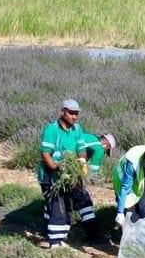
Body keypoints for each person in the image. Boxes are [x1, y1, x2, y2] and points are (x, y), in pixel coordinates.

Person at [36, 99, 105, 248]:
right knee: (56, 206)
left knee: (66, 206)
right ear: (63, 112)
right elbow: (45, 154)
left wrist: (80, 163)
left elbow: (81, 150)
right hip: (51, 175)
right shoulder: (51, 129)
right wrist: (56, 167)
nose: (74, 116)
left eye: (76, 114)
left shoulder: (77, 129)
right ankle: (54, 242)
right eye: (71, 113)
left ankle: (58, 238)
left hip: (69, 175)